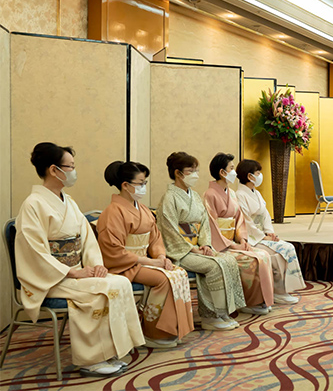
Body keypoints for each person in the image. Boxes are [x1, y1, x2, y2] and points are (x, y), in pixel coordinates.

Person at [14, 143, 144, 377]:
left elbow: (86, 239)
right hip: (52, 278)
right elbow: (34, 251)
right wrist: (71, 272)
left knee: (119, 283)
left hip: (76, 272)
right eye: (70, 167)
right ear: (54, 170)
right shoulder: (32, 204)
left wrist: (95, 266)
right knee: (98, 294)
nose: (74, 171)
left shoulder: (69, 201)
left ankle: (110, 351)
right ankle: (91, 360)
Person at [97, 161, 193, 348]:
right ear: (125, 185)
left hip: (146, 261)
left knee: (178, 272)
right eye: (140, 183)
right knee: (163, 279)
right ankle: (153, 332)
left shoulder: (143, 210)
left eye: (145, 182)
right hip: (124, 265)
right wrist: (148, 261)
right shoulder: (112, 213)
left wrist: (160, 257)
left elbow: (155, 239)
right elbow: (113, 250)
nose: (144, 187)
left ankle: (172, 328)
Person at [155, 152, 246, 331]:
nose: (195, 174)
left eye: (196, 170)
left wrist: (205, 244)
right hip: (180, 251)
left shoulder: (195, 196)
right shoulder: (169, 198)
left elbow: (204, 223)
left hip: (197, 247)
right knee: (214, 266)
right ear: (178, 173)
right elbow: (169, 229)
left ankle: (223, 312)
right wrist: (192, 249)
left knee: (228, 260)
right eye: (191, 171)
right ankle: (210, 316)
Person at [203, 153, 275, 315]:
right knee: (251, 261)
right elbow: (211, 225)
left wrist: (242, 239)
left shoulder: (232, 194)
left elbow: (239, 220)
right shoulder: (210, 195)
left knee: (263, 255)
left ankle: (261, 299)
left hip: (234, 241)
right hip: (220, 245)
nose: (234, 172)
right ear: (222, 172)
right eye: (231, 168)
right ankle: (250, 301)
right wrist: (231, 244)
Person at [235, 159, 306, 304]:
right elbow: (245, 221)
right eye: (258, 173)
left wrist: (270, 232)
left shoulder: (256, 193)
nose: (260, 176)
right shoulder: (239, 195)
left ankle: (284, 289)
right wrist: (262, 237)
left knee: (288, 247)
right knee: (277, 253)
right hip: (252, 237)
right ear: (249, 176)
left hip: (262, 235)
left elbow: (265, 215)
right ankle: (278, 291)